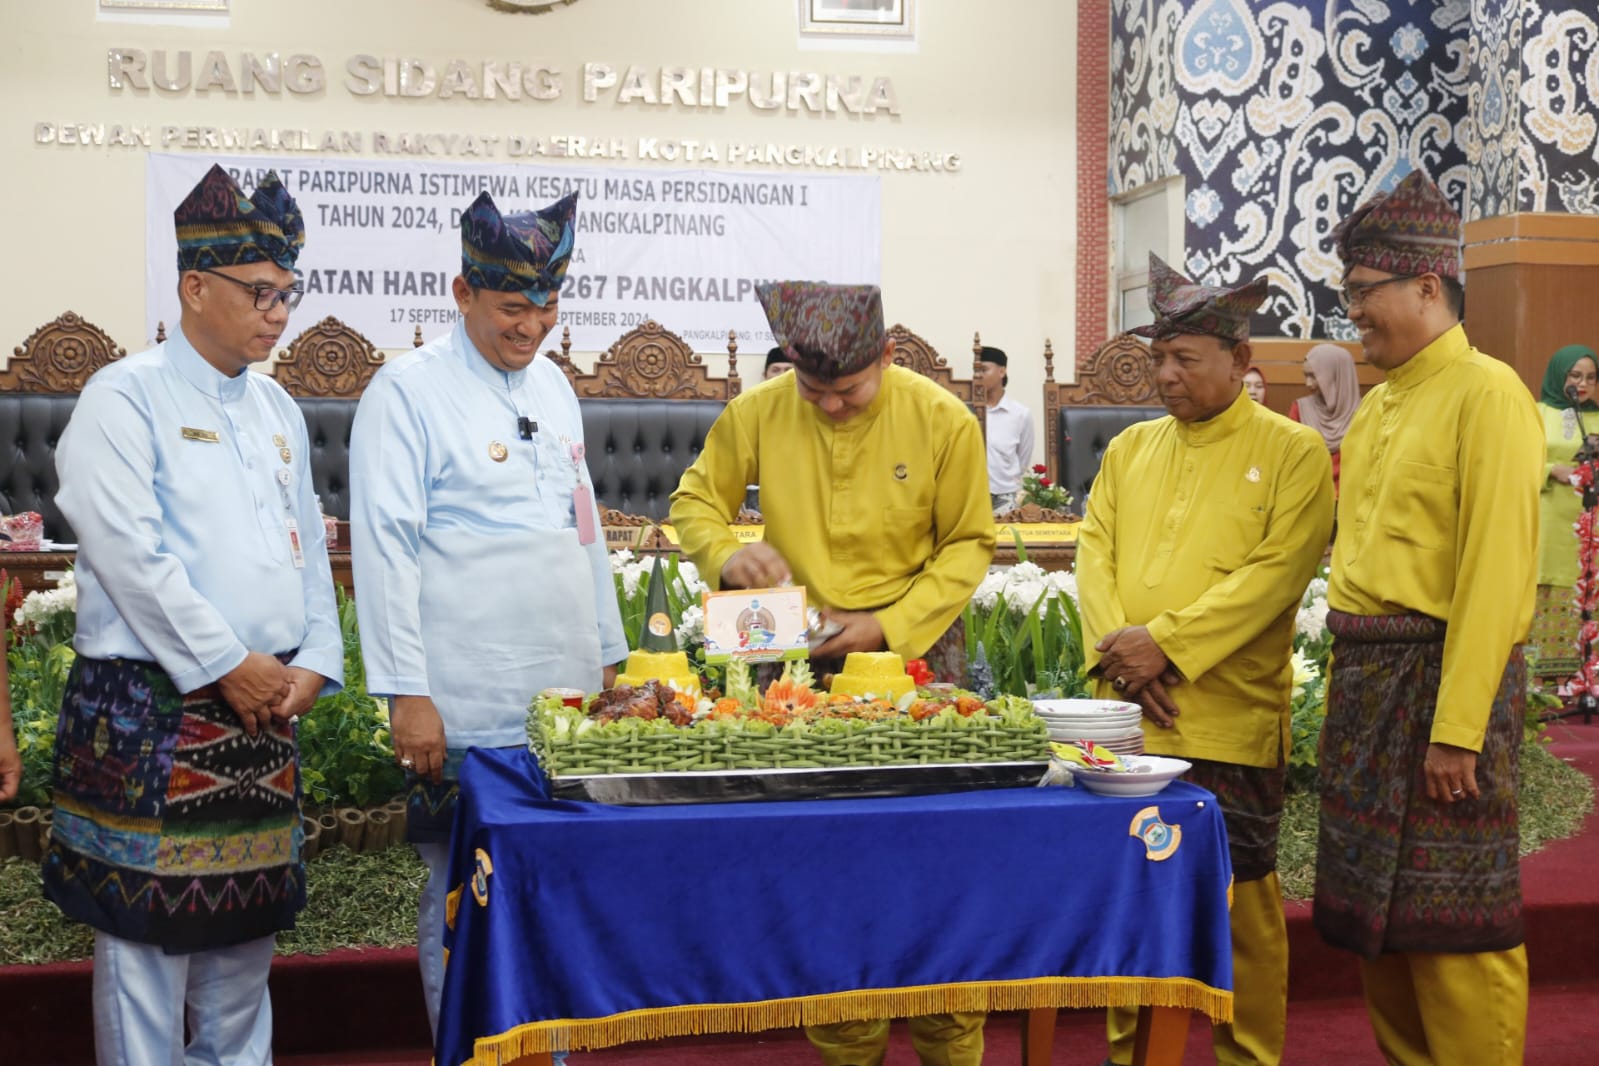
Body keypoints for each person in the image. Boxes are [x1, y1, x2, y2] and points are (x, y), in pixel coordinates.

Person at [42, 164, 343, 1065]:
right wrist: (225, 662)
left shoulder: (280, 408)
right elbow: (131, 556)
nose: (278, 313)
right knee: (144, 953)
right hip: (148, 712)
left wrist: (317, 660)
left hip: (263, 710)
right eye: (260, 292)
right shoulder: (123, 396)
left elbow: (308, 550)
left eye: (287, 293)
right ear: (193, 287)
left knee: (243, 942)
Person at [671, 281, 995, 1066]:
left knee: (933, 864)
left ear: (886, 354)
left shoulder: (941, 418)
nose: (831, 407)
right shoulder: (760, 410)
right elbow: (693, 504)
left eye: (848, 390)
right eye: (814, 390)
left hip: (914, 657)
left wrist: (884, 625)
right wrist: (725, 552)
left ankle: (949, 1035)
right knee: (829, 864)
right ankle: (846, 1039)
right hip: (796, 663)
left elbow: (967, 544)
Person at [349, 191, 627, 1049]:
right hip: (460, 702)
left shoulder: (554, 386)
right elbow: (383, 549)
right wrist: (406, 692)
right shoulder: (406, 392)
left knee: (559, 894)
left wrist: (610, 656)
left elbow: (584, 531)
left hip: (561, 698)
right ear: (461, 291)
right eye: (513, 306)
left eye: (546, 305)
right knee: (462, 898)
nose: (532, 325)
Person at [1078, 253, 1334, 1066]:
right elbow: (1094, 556)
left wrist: (1168, 649)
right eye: (1158, 357)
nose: (1164, 375)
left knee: (1242, 908)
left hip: (1228, 721)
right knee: (1131, 898)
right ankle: (1130, 1055)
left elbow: (1276, 575)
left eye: (1184, 359)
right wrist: (1123, 657)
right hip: (1130, 722)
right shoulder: (1128, 451)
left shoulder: (1293, 453)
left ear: (1240, 361)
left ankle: (1247, 1055)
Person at [1313, 170, 1542, 1064]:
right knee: (1383, 924)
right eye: (1346, 295)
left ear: (1426, 286)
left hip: (1444, 692)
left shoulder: (1488, 395)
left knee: (1456, 931)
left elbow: (1494, 577)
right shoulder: (1376, 409)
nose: (1352, 315)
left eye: (1361, 294)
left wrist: (1458, 730)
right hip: (1369, 689)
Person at [1531, 343, 1599, 687]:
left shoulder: (1597, 417)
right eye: (1575, 375)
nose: (1582, 383)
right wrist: (1548, 470)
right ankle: (1542, 679)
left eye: (1590, 377)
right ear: (1560, 375)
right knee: (1546, 585)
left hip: (1589, 519)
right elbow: (1514, 459)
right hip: (1547, 514)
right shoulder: (1535, 412)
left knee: (1586, 584)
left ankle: (1583, 677)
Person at [1287, 343, 1360, 496]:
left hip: (1351, 502)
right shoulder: (1300, 409)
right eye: (1305, 375)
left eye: (1314, 376)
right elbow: (1291, 459)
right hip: (1309, 497)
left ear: (1336, 375)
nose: (1308, 384)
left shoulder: (1365, 413)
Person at [975, 345, 1036, 514]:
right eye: (975, 370)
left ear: (1001, 372)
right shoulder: (967, 411)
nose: (978, 376)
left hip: (1006, 497)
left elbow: (1023, 459)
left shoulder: (1020, 414)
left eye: (984, 370)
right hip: (973, 495)